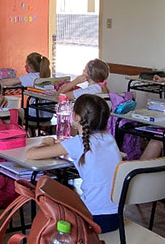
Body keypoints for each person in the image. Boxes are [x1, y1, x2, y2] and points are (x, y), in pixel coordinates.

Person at [26, 94, 121, 233]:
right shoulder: (109, 139)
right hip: (116, 217)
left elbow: (31, 154)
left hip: (92, 219)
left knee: (48, 193)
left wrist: (46, 142)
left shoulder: (78, 143)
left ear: (75, 116)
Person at [19, 52, 53, 122]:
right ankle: (32, 132)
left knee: (17, 112)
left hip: (35, 115)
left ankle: (29, 132)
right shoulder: (48, 78)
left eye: (26, 64)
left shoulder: (31, 77)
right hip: (49, 115)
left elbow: (11, 82)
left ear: (30, 66)